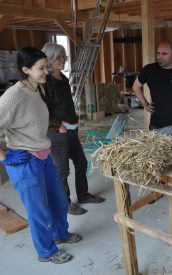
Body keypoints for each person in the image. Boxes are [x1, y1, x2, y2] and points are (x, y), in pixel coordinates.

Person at [0, 47, 81, 264]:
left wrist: (62, 123)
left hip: (44, 156)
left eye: (46, 66)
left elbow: (39, 118)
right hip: (24, 160)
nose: (47, 71)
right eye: (41, 68)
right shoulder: (13, 96)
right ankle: (46, 252)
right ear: (25, 69)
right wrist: (4, 156)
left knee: (58, 201)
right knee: (38, 211)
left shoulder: (38, 89)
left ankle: (60, 233)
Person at [41, 42, 105, 216]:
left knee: (82, 162)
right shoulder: (45, 82)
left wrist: (74, 119)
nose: (62, 60)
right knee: (62, 171)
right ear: (48, 60)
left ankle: (83, 194)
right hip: (57, 133)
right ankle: (66, 203)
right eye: (58, 58)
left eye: (64, 57)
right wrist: (58, 125)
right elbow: (41, 110)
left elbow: (66, 104)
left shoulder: (62, 78)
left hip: (72, 128)